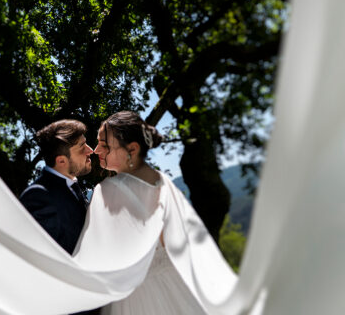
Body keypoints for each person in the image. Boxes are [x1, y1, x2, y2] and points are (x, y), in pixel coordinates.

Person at [73, 111, 236, 315]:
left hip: (138, 296)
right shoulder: (163, 182)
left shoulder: (108, 189)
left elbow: (94, 258)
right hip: (178, 284)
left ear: (132, 149)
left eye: (104, 145)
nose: (96, 150)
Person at [20, 119, 94, 254]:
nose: (90, 150)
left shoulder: (73, 188)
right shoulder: (39, 196)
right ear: (61, 161)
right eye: (82, 147)